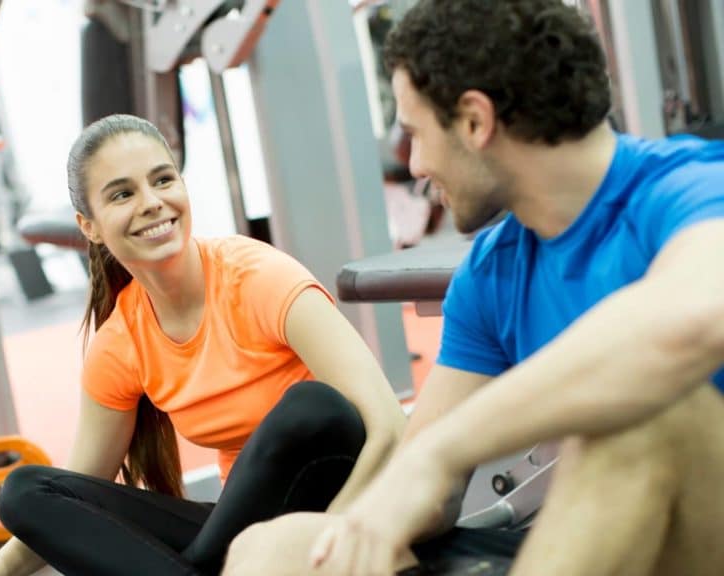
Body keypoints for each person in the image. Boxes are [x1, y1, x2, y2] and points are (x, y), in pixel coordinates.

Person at [224, 1, 724, 575]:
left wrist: (442, 450)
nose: (412, 166)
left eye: (415, 135)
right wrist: (365, 518)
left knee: (644, 418)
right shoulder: (493, 269)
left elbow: (690, 322)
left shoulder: (694, 189)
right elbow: (424, 490)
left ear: (474, 121)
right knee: (275, 549)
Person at [0, 114, 407, 576]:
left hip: (342, 501)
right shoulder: (121, 341)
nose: (152, 203)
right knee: (25, 492)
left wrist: (330, 538)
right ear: (91, 226)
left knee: (314, 409)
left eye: (162, 180)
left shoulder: (259, 278)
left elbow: (389, 427)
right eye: (123, 194)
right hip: (236, 533)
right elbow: (79, 494)